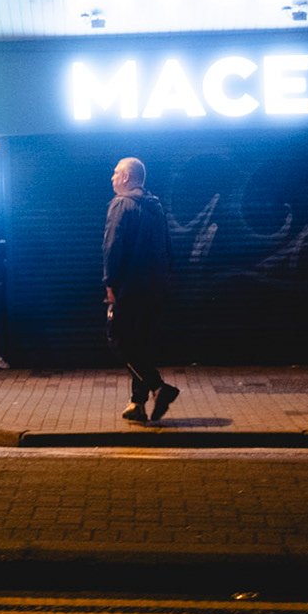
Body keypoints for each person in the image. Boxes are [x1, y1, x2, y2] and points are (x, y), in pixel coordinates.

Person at [104, 156, 177, 424]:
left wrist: (110, 283)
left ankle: (158, 387)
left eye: (116, 173)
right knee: (141, 343)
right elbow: (168, 248)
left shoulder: (121, 204)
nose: (112, 177)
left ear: (126, 177)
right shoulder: (156, 208)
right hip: (156, 288)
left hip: (130, 288)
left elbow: (112, 246)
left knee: (118, 339)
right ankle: (137, 404)